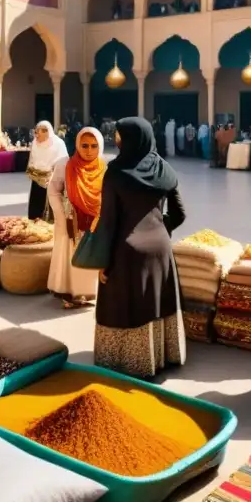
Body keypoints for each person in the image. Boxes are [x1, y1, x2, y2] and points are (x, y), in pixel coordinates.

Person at [93, 118, 186, 378]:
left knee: (122, 307)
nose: (117, 139)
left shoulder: (116, 172)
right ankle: (161, 356)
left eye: (120, 135)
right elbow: (179, 214)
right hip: (161, 248)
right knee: (156, 302)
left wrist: (103, 262)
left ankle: (130, 362)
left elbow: (108, 222)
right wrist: (159, 230)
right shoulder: (164, 169)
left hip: (127, 251)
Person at [48, 127, 105, 308]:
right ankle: (69, 294)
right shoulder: (65, 164)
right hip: (70, 219)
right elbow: (53, 190)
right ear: (77, 145)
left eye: (94, 146)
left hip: (95, 220)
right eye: (85, 145)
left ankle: (88, 293)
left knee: (90, 254)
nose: (89, 151)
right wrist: (61, 215)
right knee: (70, 255)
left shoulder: (104, 167)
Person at [26, 120, 67, 221]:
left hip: (53, 180)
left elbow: (64, 161)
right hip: (37, 179)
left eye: (43, 131)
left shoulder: (58, 143)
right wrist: (34, 172)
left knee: (51, 206)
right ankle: (35, 221)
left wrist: (52, 174)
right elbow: (32, 160)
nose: (39, 134)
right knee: (36, 205)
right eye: (37, 131)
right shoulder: (35, 143)